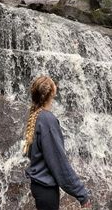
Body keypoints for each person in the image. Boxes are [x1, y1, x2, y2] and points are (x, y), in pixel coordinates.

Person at [23, 75, 92, 210]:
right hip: (46, 190)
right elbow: (59, 163)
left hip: (39, 187)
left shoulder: (36, 116)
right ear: (52, 93)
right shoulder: (47, 120)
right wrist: (82, 194)